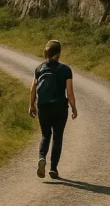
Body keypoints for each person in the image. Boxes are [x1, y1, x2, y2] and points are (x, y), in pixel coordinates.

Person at [29, 40, 78, 179]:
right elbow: (70, 93)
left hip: (43, 106)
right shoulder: (65, 70)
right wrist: (74, 108)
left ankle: (42, 157)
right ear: (59, 53)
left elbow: (32, 90)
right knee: (57, 137)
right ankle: (53, 168)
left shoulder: (39, 69)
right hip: (59, 108)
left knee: (45, 135)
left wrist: (31, 105)